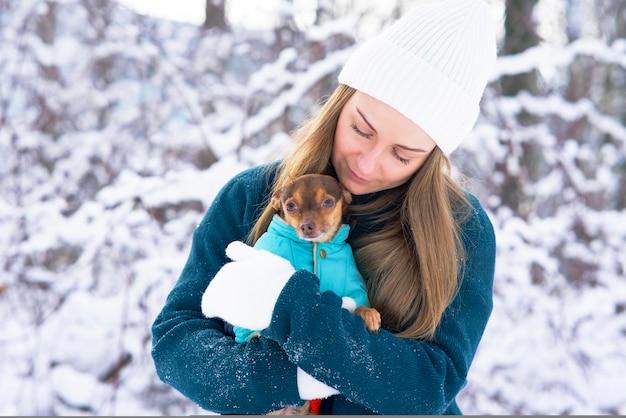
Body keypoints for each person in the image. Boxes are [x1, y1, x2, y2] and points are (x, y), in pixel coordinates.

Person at [151, 0, 498, 414]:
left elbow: (429, 385)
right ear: (340, 104)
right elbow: (177, 338)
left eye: (402, 155)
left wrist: (290, 304)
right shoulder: (254, 195)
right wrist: (282, 380)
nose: (367, 164)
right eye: (360, 129)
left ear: (432, 157)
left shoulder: (461, 229)